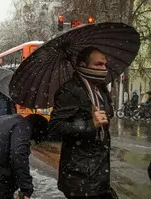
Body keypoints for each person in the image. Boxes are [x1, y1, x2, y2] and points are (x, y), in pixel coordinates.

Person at [48, 46, 115, 199]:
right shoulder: (70, 91)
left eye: (105, 64)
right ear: (83, 66)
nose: (104, 68)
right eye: (98, 64)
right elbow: (55, 128)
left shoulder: (101, 88)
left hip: (100, 175)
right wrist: (90, 124)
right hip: (80, 179)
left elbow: (106, 118)